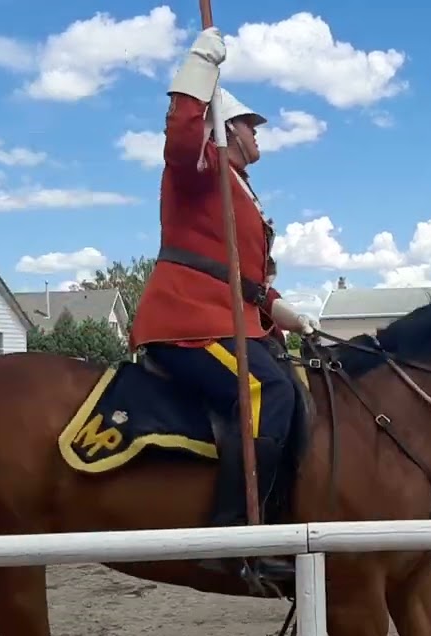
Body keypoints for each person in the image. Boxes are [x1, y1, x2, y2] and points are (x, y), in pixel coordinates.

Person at [130, 27, 315, 583]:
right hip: (188, 321)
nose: (259, 134)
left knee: (298, 388)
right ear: (226, 128)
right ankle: (234, 536)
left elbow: (247, 281)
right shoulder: (201, 170)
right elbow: (180, 143)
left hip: (236, 320)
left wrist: (285, 312)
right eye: (251, 125)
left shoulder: (240, 187)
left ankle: (284, 517)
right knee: (266, 391)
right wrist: (198, 66)